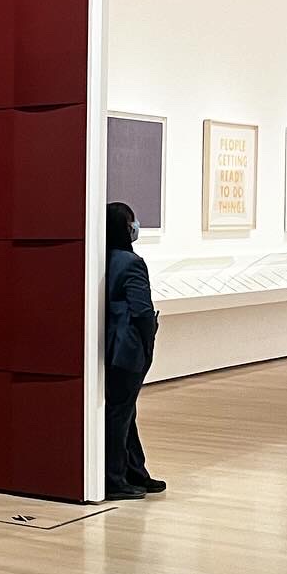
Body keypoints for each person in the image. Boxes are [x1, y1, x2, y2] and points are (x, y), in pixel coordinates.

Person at [104, 200, 164, 500]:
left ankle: (134, 472)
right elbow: (141, 310)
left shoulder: (101, 258)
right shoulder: (132, 263)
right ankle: (115, 478)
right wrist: (149, 341)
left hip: (109, 347)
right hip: (127, 349)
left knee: (125, 412)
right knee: (120, 414)